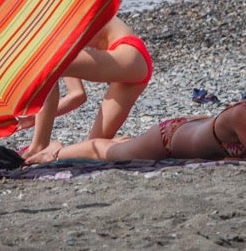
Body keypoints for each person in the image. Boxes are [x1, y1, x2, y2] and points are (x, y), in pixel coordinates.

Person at [24, 54, 246, 163]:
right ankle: (56, 151)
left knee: (123, 144)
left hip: (192, 127)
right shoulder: (243, 114)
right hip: (169, 139)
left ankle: (112, 140)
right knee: (105, 152)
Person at [22, 16, 152, 159]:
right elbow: (77, 95)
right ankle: (143, 144)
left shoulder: (53, 20)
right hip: (132, 62)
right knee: (92, 149)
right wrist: (34, 118)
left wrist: (39, 140)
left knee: (45, 66)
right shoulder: (50, 30)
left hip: (127, 52)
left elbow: (47, 71)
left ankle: (39, 146)